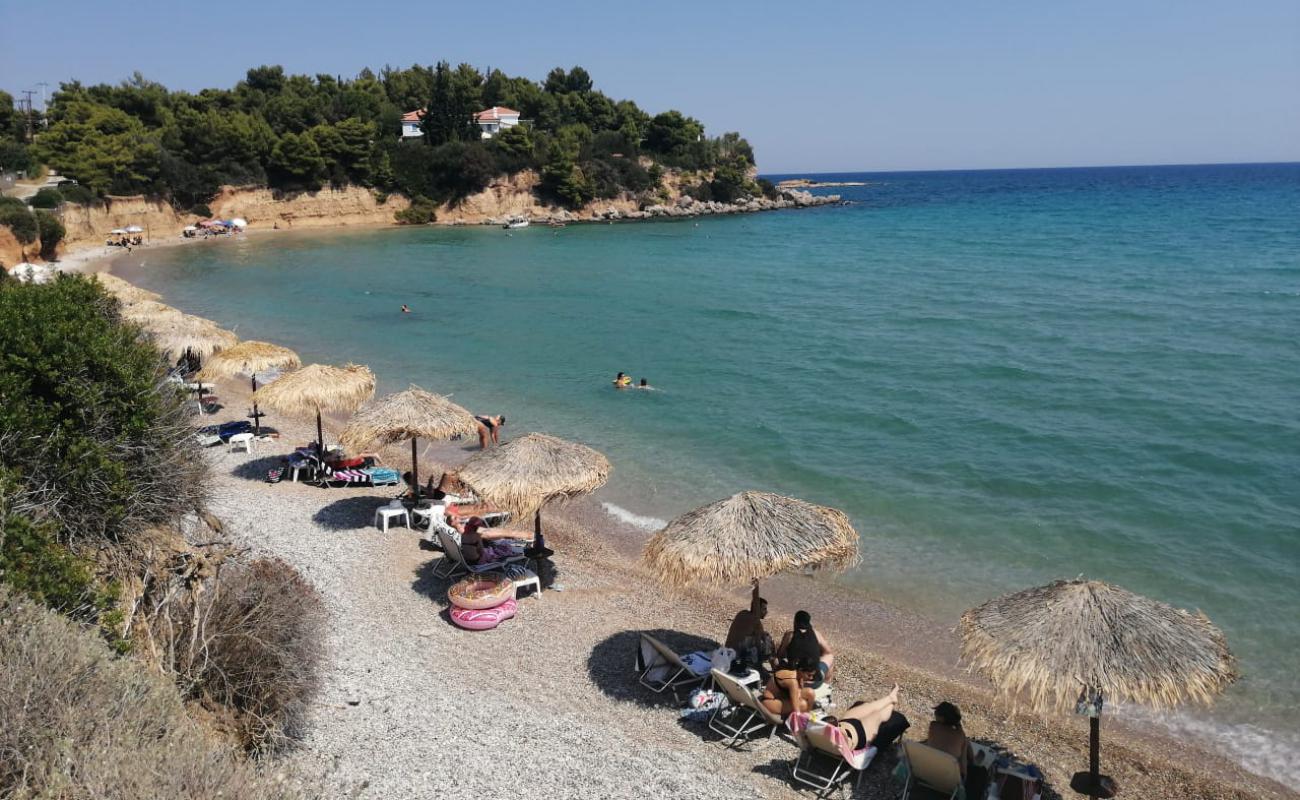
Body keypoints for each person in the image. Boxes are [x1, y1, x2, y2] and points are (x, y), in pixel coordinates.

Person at [924, 701, 988, 798]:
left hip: (929, 773)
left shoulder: (933, 727)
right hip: (951, 780)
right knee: (965, 745)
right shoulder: (959, 735)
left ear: (941, 717)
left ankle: (974, 760)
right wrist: (958, 725)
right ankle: (974, 761)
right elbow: (963, 766)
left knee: (962, 743)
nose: (935, 713)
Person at [821, 685, 902, 750]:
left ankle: (890, 698)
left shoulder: (814, 731)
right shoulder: (838, 742)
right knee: (877, 715)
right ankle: (892, 701)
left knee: (868, 706)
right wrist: (840, 731)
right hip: (858, 735)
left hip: (845, 724)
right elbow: (843, 741)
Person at [776, 610, 835, 688]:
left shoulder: (790, 635)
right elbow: (828, 652)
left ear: (795, 622)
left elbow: (780, 654)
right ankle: (826, 686)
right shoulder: (816, 634)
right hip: (815, 683)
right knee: (830, 656)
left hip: (794, 680)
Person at [724, 580, 773, 667]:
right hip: (736, 657)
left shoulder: (743, 613)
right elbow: (758, 645)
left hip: (726, 651)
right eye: (764, 609)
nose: (766, 612)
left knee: (763, 635)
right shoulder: (755, 620)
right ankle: (773, 665)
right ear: (757, 608)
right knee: (767, 639)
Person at [458, 516, 525, 565]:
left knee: (497, 543)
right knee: (503, 548)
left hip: (468, 560)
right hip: (478, 562)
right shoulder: (476, 536)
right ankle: (521, 550)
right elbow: (481, 551)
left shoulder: (464, 533)